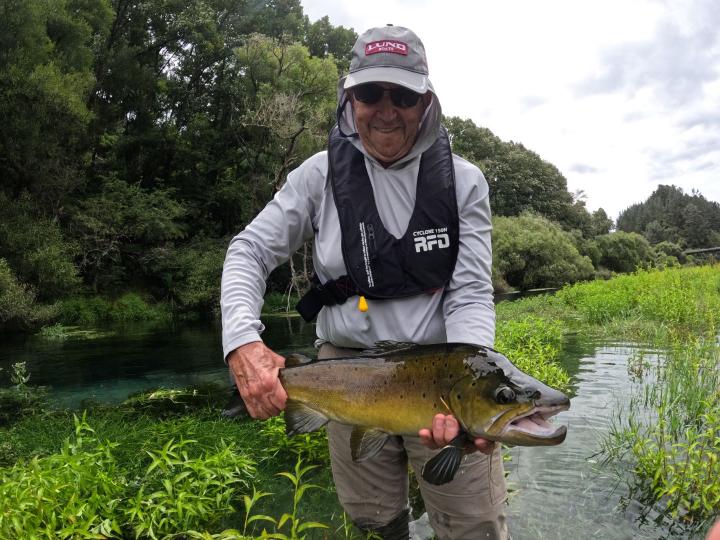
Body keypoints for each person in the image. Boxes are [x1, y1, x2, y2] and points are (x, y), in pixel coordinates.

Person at [221, 24, 507, 539]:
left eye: (402, 94)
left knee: (473, 526)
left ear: (426, 102)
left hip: (438, 371)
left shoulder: (465, 182)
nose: (386, 108)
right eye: (370, 93)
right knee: (374, 523)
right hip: (345, 374)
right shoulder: (317, 175)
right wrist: (243, 340)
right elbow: (249, 250)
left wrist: (468, 384)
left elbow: (469, 292)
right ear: (349, 97)